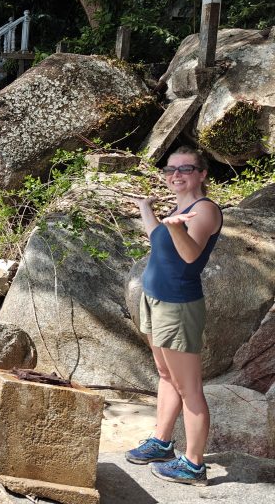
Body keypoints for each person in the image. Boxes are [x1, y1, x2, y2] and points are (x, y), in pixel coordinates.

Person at [124, 145, 223, 486]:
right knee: (165, 374)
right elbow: (159, 239)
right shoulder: (178, 209)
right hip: (155, 300)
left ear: (202, 173)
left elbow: (190, 257)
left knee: (189, 388)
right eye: (170, 169)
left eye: (185, 168)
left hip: (177, 306)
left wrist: (177, 228)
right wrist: (146, 210)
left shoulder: (205, 210)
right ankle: (162, 442)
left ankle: (194, 465)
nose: (176, 174)